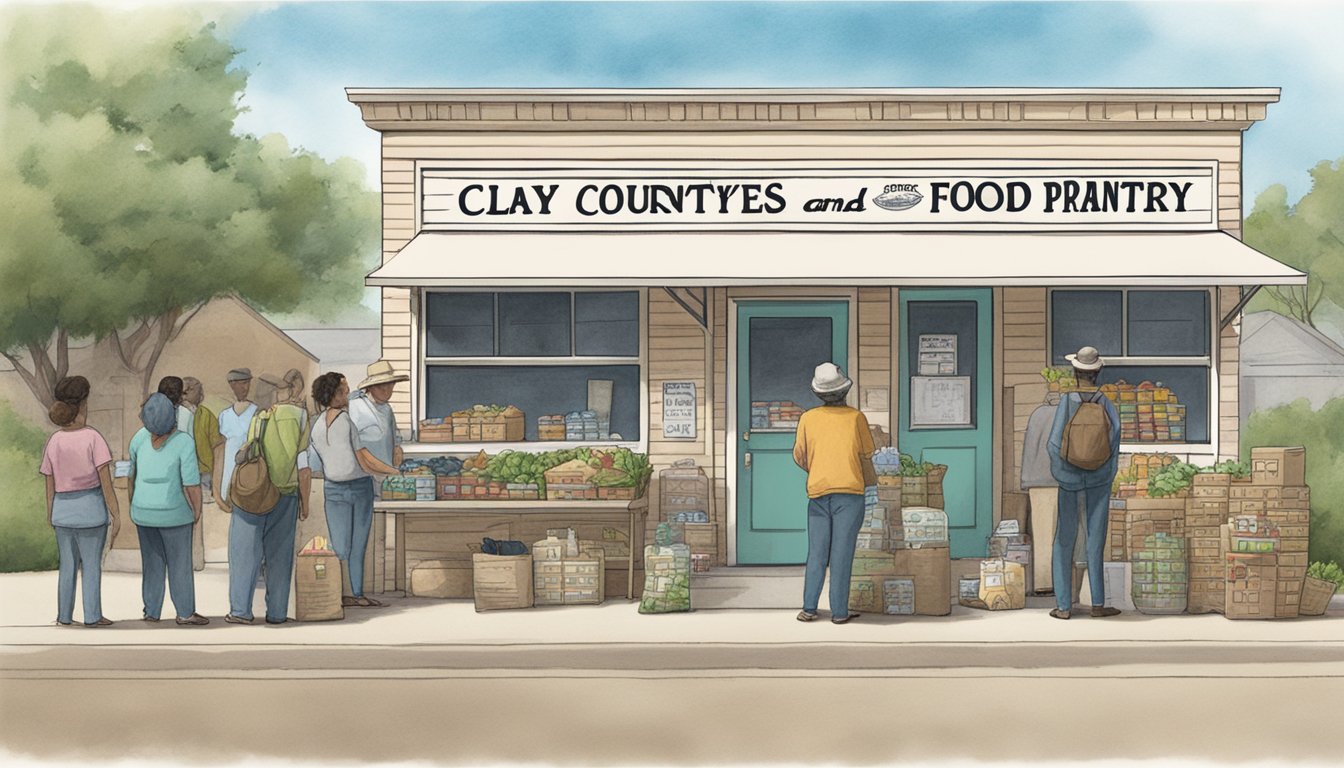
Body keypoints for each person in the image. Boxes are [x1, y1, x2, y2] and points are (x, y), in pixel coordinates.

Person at [225, 369, 313, 625]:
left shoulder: (260, 417)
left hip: (256, 491)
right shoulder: (300, 416)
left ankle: (241, 610)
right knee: (280, 556)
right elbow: (303, 464)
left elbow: (248, 453)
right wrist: (305, 502)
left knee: (243, 553)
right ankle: (276, 612)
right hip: (286, 495)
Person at [791, 362, 875, 625]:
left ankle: (808, 608)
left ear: (819, 393)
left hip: (818, 492)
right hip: (850, 493)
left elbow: (799, 456)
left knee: (816, 552)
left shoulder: (807, 418)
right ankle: (839, 612)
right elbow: (866, 455)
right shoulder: (856, 418)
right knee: (841, 553)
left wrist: (819, 469)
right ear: (844, 390)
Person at [309, 372, 402, 607]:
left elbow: (315, 464)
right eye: (344, 390)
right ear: (334, 394)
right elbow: (365, 460)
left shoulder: (317, 425)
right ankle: (357, 594)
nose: (348, 395)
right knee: (357, 545)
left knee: (340, 545)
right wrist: (393, 471)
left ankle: (341, 594)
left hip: (332, 489)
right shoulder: (346, 421)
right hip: (359, 487)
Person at [1047, 345, 1123, 620]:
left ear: (1075, 371)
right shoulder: (1107, 403)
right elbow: (1114, 443)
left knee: (1063, 540)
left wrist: (1063, 472)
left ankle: (1064, 606)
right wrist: (1105, 473)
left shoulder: (1067, 402)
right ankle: (1098, 604)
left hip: (1068, 480)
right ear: (1098, 371)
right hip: (1099, 480)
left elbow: (1054, 442)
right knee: (1095, 539)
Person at [40, 376, 121, 627]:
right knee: (91, 566)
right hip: (91, 512)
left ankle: (64, 616)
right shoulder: (93, 438)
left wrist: (51, 512)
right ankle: (92, 616)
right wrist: (116, 514)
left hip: (62, 511)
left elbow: (49, 482)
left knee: (67, 565)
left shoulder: (54, 441)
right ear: (83, 406)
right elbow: (105, 482)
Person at [128, 393, 208, 625]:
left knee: (152, 564)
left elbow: (132, 477)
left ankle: (151, 611)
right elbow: (191, 483)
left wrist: (134, 503)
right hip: (175, 514)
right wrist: (196, 511)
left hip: (143, 512)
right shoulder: (184, 442)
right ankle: (184, 612)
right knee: (179, 565)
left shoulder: (138, 438)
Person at [348, 360, 409, 489]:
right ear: (369, 387)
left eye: (389, 384)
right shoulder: (356, 407)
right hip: (362, 479)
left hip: (385, 477)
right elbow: (357, 449)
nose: (385, 389)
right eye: (380, 385)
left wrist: (397, 451)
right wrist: (391, 471)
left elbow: (394, 440)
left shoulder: (387, 409)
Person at [218, 368, 258, 506]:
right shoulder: (225, 415)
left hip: (249, 462)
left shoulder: (256, 411)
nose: (244, 387)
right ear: (232, 385)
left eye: (246, 383)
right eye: (240, 383)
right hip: (229, 464)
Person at [180, 377, 223, 493]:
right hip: (188, 469)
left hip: (203, 470)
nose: (201, 396)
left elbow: (216, 442)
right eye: (198, 392)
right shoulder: (177, 413)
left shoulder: (206, 414)